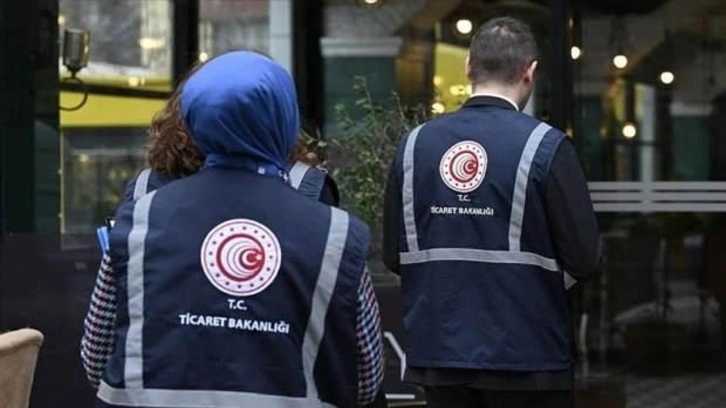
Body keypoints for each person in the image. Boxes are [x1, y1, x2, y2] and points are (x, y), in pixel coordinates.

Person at [82, 51, 384, 407]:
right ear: (284, 119)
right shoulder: (335, 233)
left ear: (194, 119)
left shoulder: (140, 219)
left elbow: (96, 357)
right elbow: (365, 379)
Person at [382, 17, 605, 407]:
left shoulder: (415, 146)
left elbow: (393, 255)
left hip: (439, 353)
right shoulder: (546, 147)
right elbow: (585, 259)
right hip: (528, 357)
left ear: (469, 67)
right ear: (529, 72)